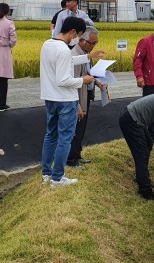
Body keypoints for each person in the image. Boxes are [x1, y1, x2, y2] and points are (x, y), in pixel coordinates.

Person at [40, 17, 101, 188]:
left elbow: (65, 63)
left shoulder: (47, 44)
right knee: (65, 139)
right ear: (73, 32)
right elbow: (63, 79)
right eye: (79, 35)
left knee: (50, 135)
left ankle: (47, 173)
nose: (77, 39)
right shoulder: (65, 50)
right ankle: (58, 178)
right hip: (65, 99)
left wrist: (88, 56)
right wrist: (84, 80)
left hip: (50, 98)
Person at [67, 26, 105, 168]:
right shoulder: (75, 55)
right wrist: (76, 104)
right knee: (75, 129)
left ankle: (77, 155)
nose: (93, 46)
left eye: (95, 43)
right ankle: (71, 160)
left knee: (81, 129)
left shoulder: (86, 53)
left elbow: (89, 73)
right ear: (82, 40)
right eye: (91, 43)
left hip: (86, 94)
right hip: (77, 97)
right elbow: (73, 81)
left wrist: (97, 82)